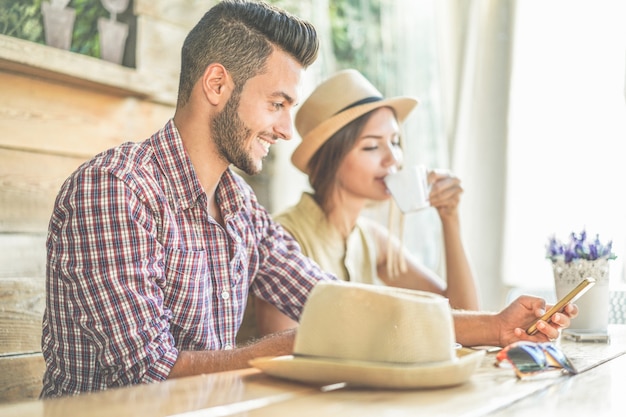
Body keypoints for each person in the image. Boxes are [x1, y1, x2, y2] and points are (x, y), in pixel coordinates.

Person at [41, 0, 576, 399]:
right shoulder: (114, 191)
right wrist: (274, 351)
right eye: (277, 103)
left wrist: (494, 326)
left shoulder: (239, 207)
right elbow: (148, 374)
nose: (286, 129)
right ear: (217, 85)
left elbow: (338, 300)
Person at [250, 69, 479, 337]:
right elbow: (281, 354)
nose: (393, 159)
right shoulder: (283, 240)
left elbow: (465, 317)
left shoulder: (371, 240)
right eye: (372, 146)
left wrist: (450, 218)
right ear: (330, 160)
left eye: (395, 142)